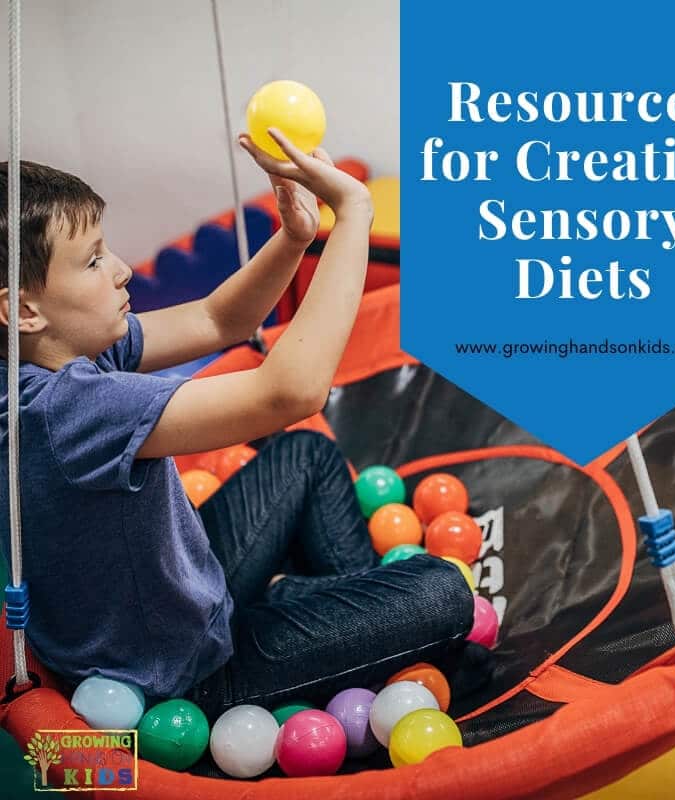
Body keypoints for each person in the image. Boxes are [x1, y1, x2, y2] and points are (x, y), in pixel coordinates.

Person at [0, 128, 486, 729]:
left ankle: (328, 616)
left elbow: (218, 316)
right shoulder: (65, 409)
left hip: (178, 593)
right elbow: (292, 391)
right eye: (94, 260)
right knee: (446, 593)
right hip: (184, 673)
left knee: (306, 454)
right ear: (24, 309)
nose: (123, 269)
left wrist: (295, 238)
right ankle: (320, 618)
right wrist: (354, 211)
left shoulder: (52, 353)